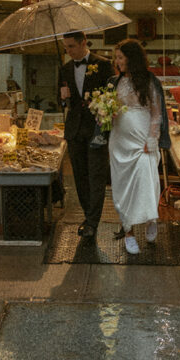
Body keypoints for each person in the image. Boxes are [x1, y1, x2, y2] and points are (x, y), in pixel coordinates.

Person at [108, 39, 164, 254]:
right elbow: (109, 107)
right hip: (119, 143)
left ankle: (150, 217)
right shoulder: (114, 82)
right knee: (122, 187)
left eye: (120, 57)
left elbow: (156, 112)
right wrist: (106, 113)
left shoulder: (148, 81)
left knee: (146, 181)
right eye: (117, 57)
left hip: (142, 143)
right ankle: (128, 230)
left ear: (131, 59)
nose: (117, 61)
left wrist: (152, 138)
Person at [59, 31, 114, 240]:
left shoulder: (103, 64)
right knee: (80, 177)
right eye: (65, 48)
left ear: (83, 43)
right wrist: (64, 99)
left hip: (96, 129)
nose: (68, 51)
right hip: (74, 130)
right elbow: (61, 101)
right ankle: (87, 216)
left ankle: (92, 221)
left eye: (71, 46)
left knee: (96, 176)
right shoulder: (64, 69)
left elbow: (112, 97)